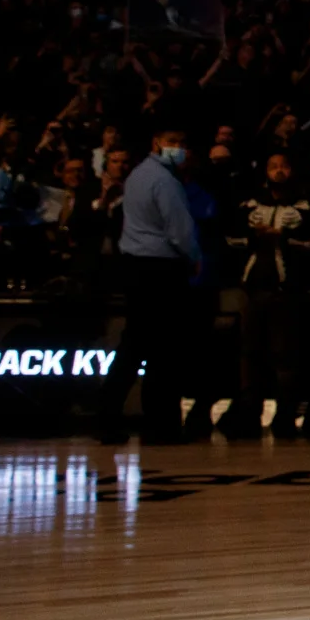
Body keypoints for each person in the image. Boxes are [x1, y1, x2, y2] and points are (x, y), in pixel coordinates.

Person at [99, 130, 203, 443]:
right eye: (174, 142)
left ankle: (109, 416)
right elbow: (179, 229)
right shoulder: (164, 181)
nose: (179, 148)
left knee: (134, 345)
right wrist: (194, 257)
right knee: (163, 350)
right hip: (160, 268)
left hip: (135, 266)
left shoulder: (137, 175)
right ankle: (161, 424)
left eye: (183, 143)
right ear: (157, 143)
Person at [229, 151, 310, 433]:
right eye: (273, 166)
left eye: (284, 166)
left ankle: (285, 416)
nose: (279, 171)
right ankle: (249, 415)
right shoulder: (249, 205)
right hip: (255, 292)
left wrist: (284, 238)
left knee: (286, 356)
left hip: (288, 293)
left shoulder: (306, 207)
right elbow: (231, 237)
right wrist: (254, 237)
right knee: (250, 355)